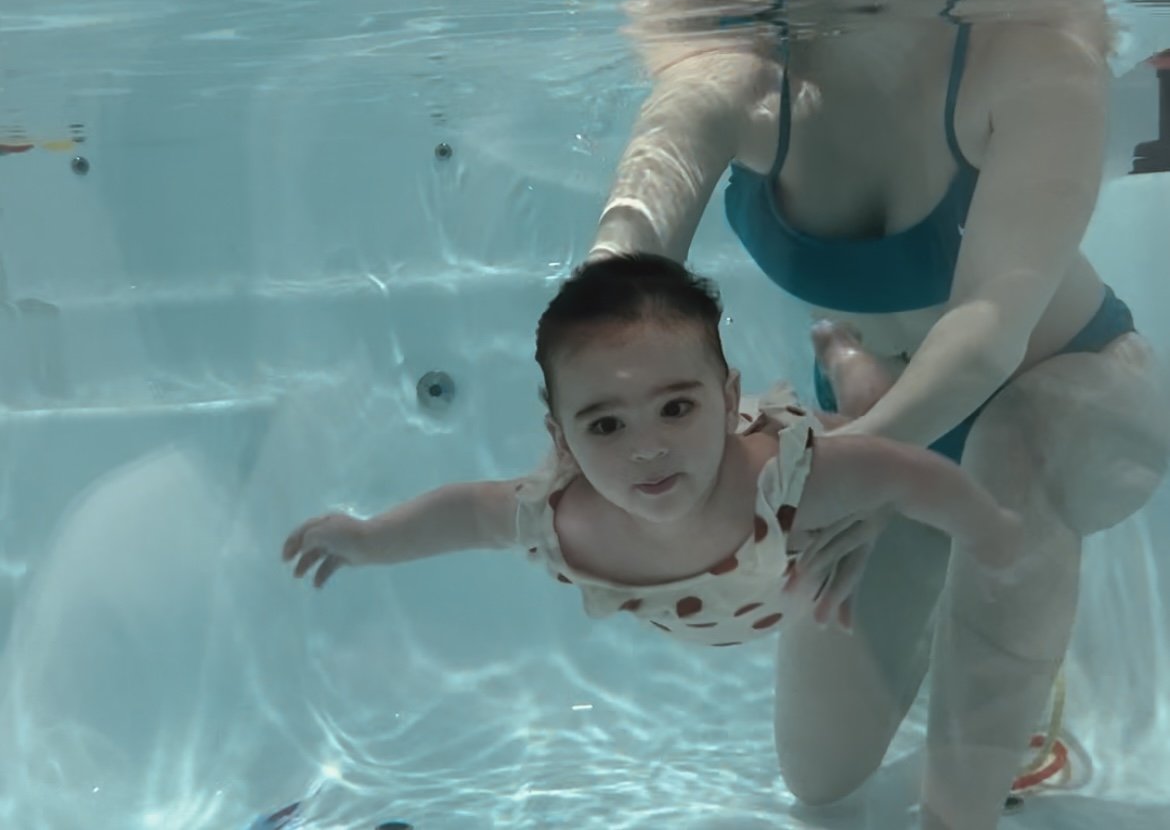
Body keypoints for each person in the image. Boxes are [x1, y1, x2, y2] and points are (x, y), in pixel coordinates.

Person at [529, 0, 1170, 826]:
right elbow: (618, 275)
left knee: (1015, 441)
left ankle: (980, 769)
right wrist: (588, 436)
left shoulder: (1032, 61)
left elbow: (987, 334)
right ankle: (995, 638)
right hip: (877, 436)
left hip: (1077, 398)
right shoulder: (732, 72)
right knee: (817, 776)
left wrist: (845, 468)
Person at [283, 254, 1021, 647]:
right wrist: (368, 540)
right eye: (606, 426)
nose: (648, 450)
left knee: (872, 420)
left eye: (675, 408)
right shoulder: (562, 520)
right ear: (562, 440)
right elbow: (468, 516)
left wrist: (990, 535)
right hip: (753, 593)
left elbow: (908, 473)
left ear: (726, 402)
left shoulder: (785, 482)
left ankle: (844, 349)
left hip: (797, 452)